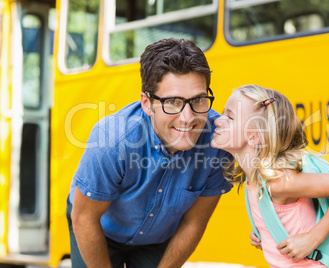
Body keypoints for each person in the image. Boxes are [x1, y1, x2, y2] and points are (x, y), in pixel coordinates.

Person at [67, 38, 233, 268]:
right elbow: (84, 218)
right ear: (146, 103)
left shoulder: (218, 143)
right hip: (99, 226)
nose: (188, 117)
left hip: (158, 237)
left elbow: (194, 222)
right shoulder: (112, 140)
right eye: (173, 102)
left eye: (198, 100)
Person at [211, 84, 329, 268]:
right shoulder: (257, 178)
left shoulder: (278, 181)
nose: (218, 121)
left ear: (254, 137)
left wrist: (311, 239)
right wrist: (265, 230)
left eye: (230, 117)